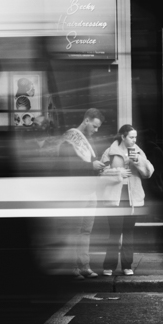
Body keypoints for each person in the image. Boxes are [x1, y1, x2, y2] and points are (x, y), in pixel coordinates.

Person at [99, 124, 154, 276]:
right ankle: (109, 266)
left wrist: (138, 161)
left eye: (135, 137)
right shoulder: (110, 152)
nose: (134, 140)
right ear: (123, 137)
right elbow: (101, 173)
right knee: (115, 232)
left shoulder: (137, 151)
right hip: (115, 197)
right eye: (131, 137)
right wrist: (118, 173)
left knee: (129, 232)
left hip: (132, 198)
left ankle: (127, 266)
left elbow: (148, 172)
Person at [59, 108, 105, 278]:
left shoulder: (87, 140)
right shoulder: (69, 140)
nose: (96, 130)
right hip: (76, 192)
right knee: (75, 230)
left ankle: (84, 266)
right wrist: (91, 167)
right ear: (86, 121)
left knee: (85, 231)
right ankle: (73, 268)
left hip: (89, 192)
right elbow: (68, 167)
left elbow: (89, 163)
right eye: (94, 126)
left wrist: (98, 168)